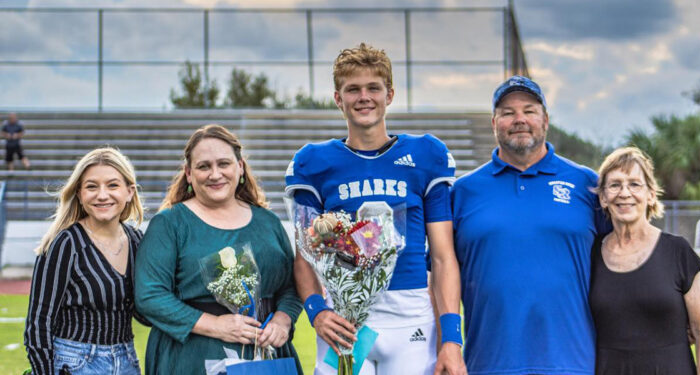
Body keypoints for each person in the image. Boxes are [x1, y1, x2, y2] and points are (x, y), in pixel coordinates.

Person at [285, 43, 466, 375]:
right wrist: (317, 312)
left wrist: (451, 340)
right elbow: (304, 256)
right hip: (344, 318)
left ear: (390, 95)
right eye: (352, 89)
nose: (363, 97)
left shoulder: (425, 155)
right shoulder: (315, 162)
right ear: (338, 98)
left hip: (409, 313)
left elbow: (442, 257)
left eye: (373, 88)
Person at [451, 75, 610, 374]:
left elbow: (623, 258)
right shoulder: (463, 192)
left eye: (529, 110)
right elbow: (441, 274)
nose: (519, 119)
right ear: (494, 122)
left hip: (574, 363)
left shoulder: (587, 185)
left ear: (546, 120)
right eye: (508, 113)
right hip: (488, 363)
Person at [134, 124, 303, 374]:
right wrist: (215, 325)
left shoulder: (268, 222)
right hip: (192, 355)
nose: (215, 174)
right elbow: (149, 296)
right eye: (204, 166)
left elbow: (291, 286)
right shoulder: (170, 224)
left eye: (224, 164)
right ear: (189, 174)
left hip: (267, 356)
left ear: (240, 167)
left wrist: (283, 320)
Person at [590, 147, 700, 374]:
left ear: (650, 195)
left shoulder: (677, 250)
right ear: (603, 197)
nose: (624, 193)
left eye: (635, 184)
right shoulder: (590, 253)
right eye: (615, 185)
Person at [24, 147, 145, 374]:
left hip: (127, 359)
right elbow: (38, 323)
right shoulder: (65, 243)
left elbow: (143, 311)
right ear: (79, 193)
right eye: (91, 186)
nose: (102, 195)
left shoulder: (137, 240)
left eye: (112, 185)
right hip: (76, 362)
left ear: (130, 192)